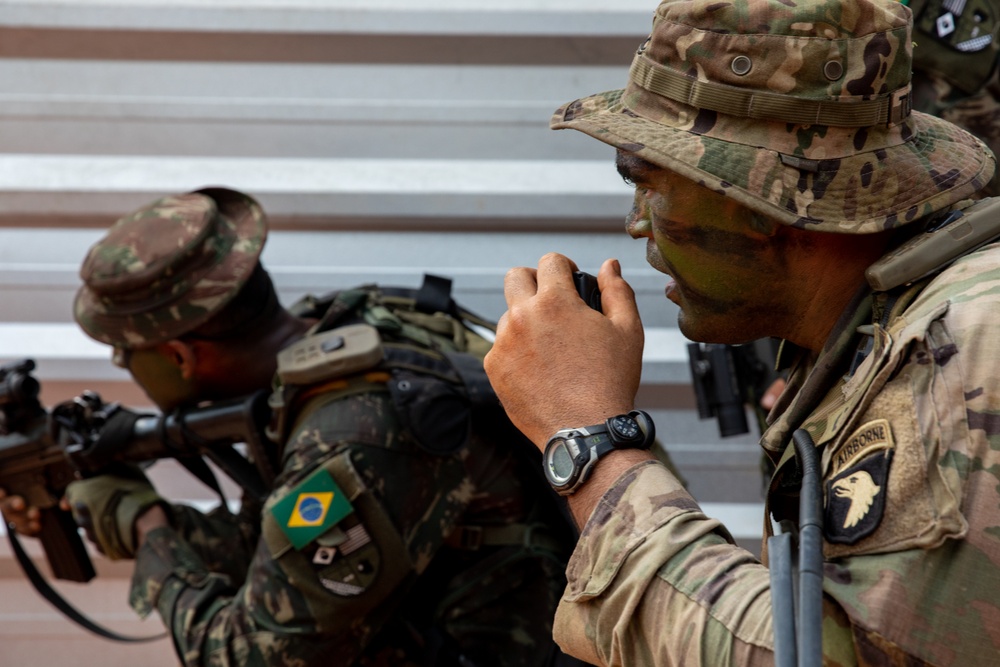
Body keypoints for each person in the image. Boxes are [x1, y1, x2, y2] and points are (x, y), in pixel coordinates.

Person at [483, 0, 999, 665]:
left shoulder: (961, 346)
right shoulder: (884, 332)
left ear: (759, 201)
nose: (637, 224)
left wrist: (588, 439)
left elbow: (819, 656)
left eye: (647, 183)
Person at [1, 187, 578, 666]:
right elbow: (291, 548)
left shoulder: (354, 432)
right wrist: (123, 511)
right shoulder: (358, 330)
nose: (121, 366)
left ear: (178, 356)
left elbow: (250, 655)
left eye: (126, 353)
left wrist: (152, 532)